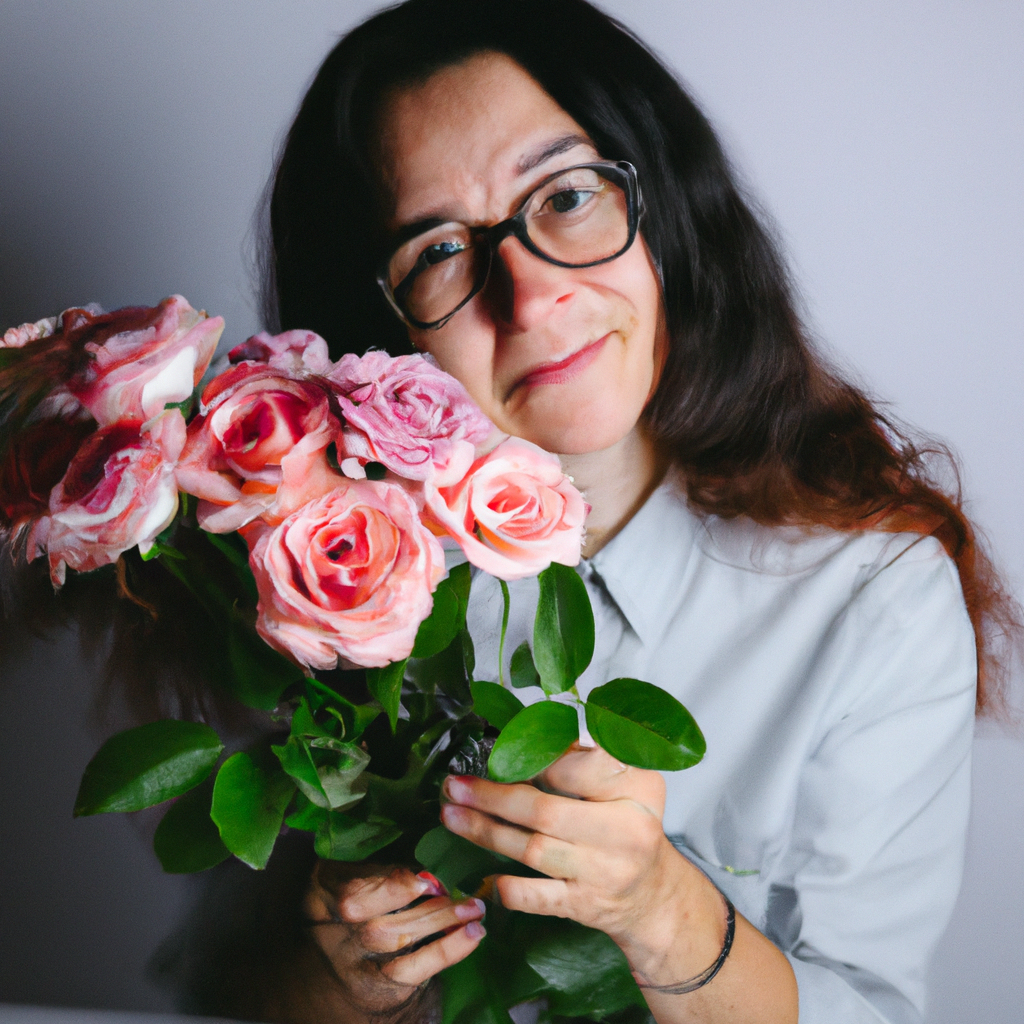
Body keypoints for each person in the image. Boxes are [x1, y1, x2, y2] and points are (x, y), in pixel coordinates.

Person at [239, 1, 1024, 1022]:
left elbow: (872, 1009)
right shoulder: (328, 587)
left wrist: (662, 910)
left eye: (565, 195)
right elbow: (231, 983)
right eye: (438, 250)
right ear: (375, 333)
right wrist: (340, 980)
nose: (528, 296)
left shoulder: (870, 594)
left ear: (664, 207)